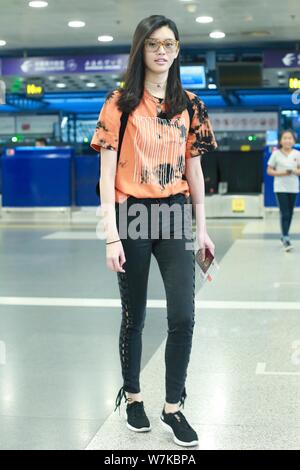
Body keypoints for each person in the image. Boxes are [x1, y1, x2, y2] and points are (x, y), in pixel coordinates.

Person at [90, 15, 217, 447]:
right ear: (140, 49)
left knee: (183, 314)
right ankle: (134, 398)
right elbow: (106, 175)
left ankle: (174, 407)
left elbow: (195, 172)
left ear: (178, 50)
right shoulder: (119, 102)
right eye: (152, 44)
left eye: (168, 44)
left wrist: (202, 229)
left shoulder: (191, 105)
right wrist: (111, 233)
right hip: (133, 215)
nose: (161, 51)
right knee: (135, 316)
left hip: (176, 213)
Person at [267, 130, 300, 252]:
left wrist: (294, 171)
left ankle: (284, 235)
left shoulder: (297, 154)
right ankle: (286, 237)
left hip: (293, 187)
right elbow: (269, 171)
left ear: (294, 140)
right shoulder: (276, 154)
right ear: (281, 141)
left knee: (290, 213)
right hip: (280, 187)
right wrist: (283, 173)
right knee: (284, 212)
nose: (287, 140)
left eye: (290, 138)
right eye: (285, 138)